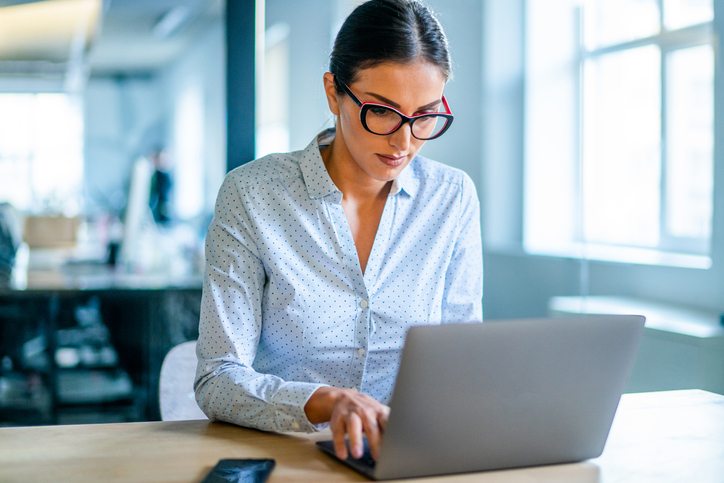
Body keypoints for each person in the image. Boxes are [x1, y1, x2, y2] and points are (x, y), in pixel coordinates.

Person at [195, 0, 482, 464]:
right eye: (383, 112)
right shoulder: (252, 194)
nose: (404, 141)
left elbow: (464, 359)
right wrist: (327, 401)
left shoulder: (451, 197)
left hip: (411, 460)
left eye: (426, 115)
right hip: (289, 458)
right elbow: (218, 378)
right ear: (334, 93)